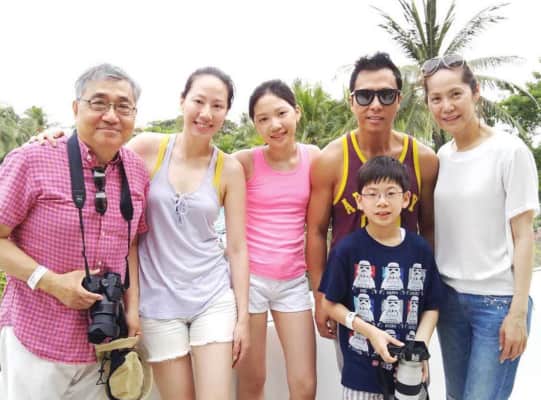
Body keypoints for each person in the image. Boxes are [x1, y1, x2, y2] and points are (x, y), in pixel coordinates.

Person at [29, 67, 250, 400]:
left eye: (217, 106)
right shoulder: (147, 149)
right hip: (156, 300)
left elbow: (237, 248)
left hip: (212, 297)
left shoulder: (229, 169)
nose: (206, 113)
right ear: (182, 101)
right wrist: (57, 138)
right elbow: (98, 152)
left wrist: (243, 318)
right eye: (198, 101)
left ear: (226, 112)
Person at [0, 64, 148, 399]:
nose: (111, 116)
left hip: (104, 342)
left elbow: (132, 243)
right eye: (99, 103)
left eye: (123, 106)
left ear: (134, 115)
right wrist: (50, 282)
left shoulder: (136, 171)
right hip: (37, 336)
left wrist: (132, 307)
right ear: (75, 107)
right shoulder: (33, 159)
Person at [422, 54, 539, 400]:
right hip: (450, 301)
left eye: (455, 94)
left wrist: (518, 312)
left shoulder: (510, 151)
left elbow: (524, 236)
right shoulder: (442, 157)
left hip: (497, 304)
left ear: (475, 93)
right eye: (436, 98)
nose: (446, 106)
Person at [307, 52, 439, 342]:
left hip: (404, 299)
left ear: (399, 100)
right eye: (365, 96)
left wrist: (425, 293)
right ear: (352, 101)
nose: (375, 105)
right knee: (355, 371)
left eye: (386, 95)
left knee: (411, 370)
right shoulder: (331, 160)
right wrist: (320, 297)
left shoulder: (424, 160)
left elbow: (428, 228)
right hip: (349, 303)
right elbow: (316, 231)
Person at [319, 156, 442, 399]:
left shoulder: (420, 249)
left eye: (391, 193)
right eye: (372, 194)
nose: (382, 202)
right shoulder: (347, 250)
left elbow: (432, 306)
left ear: (406, 198)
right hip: (360, 375)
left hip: (409, 373)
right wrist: (369, 331)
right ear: (359, 201)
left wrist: (419, 349)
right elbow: (329, 304)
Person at [233, 80, 319, 400]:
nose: (275, 125)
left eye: (281, 113)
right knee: (253, 380)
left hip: (294, 281)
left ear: (297, 112)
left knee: (305, 384)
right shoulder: (244, 161)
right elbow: (197, 167)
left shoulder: (314, 157)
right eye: (263, 119)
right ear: (255, 124)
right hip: (250, 282)